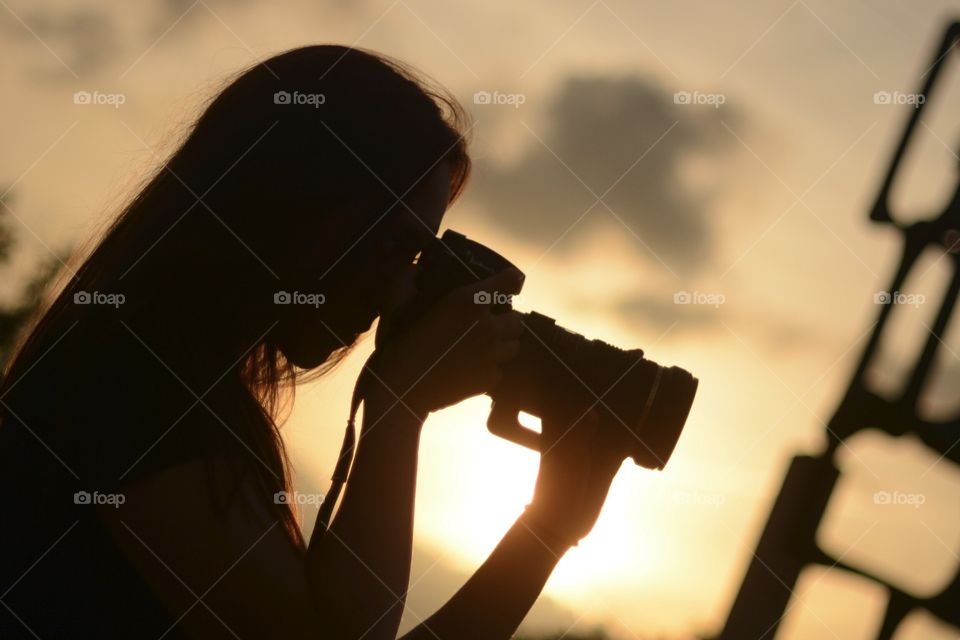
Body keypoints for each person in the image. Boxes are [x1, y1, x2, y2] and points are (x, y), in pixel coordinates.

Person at [0, 45, 628, 639]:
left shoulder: (158, 376)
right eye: (389, 245)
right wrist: (398, 408)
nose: (392, 294)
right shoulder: (137, 384)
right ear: (299, 200)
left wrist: (546, 530)